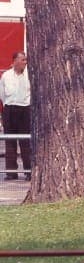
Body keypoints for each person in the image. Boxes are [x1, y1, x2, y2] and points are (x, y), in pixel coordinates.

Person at [0, 51, 31, 180]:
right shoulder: (6, 76)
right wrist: (7, 107)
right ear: (15, 61)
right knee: (10, 141)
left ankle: (29, 171)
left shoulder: (29, 75)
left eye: (25, 60)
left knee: (26, 142)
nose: (25, 62)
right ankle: (11, 172)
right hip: (10, 109)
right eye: (22, 60)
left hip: (25, 109)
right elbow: (2, 94)